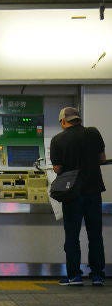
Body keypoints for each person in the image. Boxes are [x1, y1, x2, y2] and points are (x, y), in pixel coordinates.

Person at [50, 106, 107, 286]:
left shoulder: (58, 139)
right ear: (78, 119)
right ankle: (97, 275)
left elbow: (58, 168)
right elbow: (102, 159)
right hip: (93, 190)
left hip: (72, 193)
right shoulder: (93, 133)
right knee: (95, 234)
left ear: (63, 121)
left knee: (72, 235)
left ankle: (74, 275)